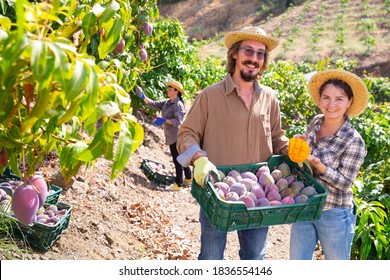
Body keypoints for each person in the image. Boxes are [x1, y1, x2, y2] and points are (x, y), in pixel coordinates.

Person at [176, 26, 289, 260]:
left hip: (259, 194)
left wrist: (295, 151)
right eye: (249, 50)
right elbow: (186, 133)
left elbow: (277, 137)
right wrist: (199, 158)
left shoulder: (269, 97)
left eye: (261, 54)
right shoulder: (211, 95)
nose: (254, 58)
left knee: (255, 258)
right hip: (217, 192)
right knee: (211, 257)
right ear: (235, 54)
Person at [289, 69, 369, 260]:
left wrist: (319, 165)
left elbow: (344, 183)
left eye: (339, 99)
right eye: (326, 97)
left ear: (349, 102)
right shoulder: (316, 122)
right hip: (306, 204)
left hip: (334, 212)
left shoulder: (353, 140)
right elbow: (304, 163)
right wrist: (299, 147)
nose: (331, 104)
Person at [136, 80, 192, 191]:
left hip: (177, 135)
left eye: (171, 88)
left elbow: (178, 121)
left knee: (177, 159)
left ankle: (178, 184)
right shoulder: (167, 102)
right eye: (168, 88)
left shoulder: (178, 105)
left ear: (176, 91)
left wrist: (164, 120)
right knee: (181, 156)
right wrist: (143, 96)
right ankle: (189, 178)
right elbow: (153, 104)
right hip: (170, 135)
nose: (168, 90)